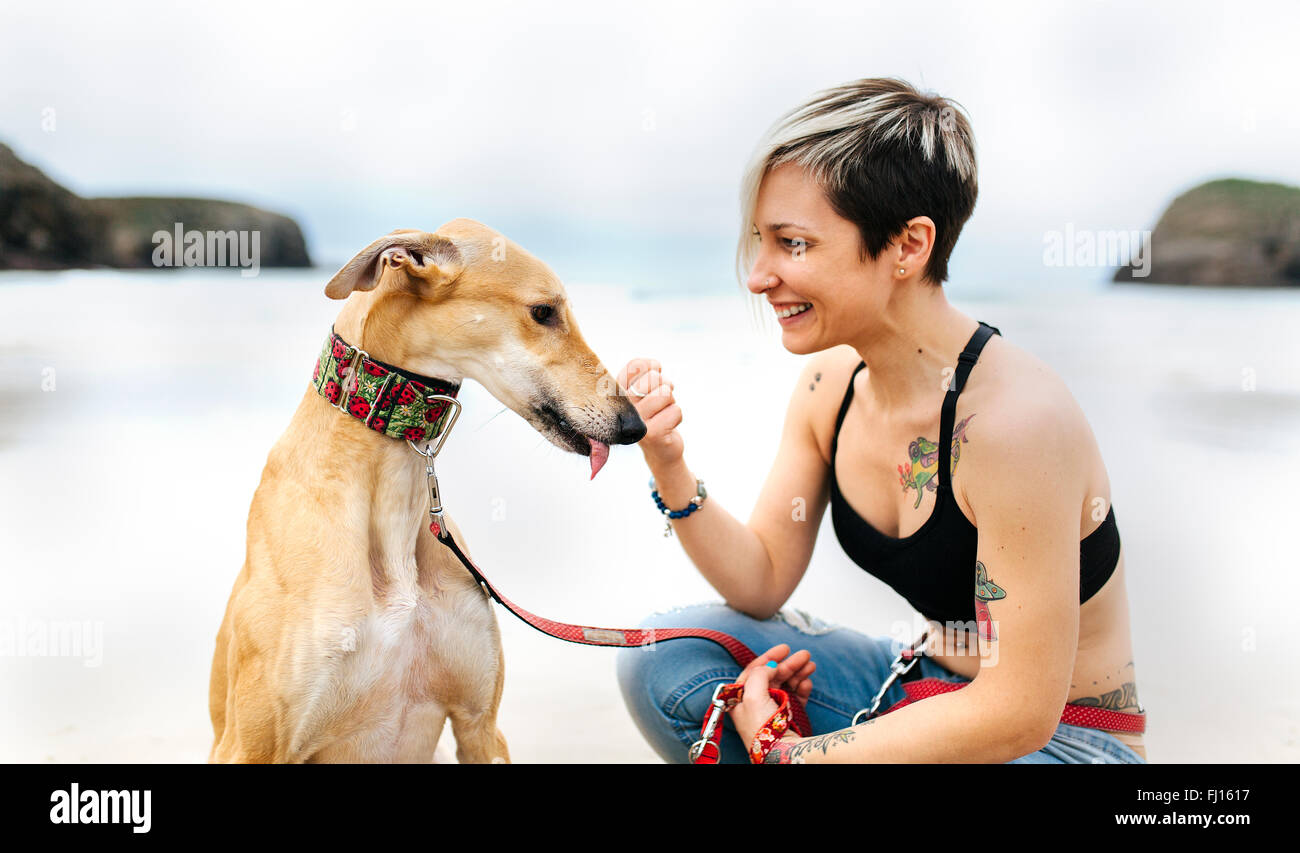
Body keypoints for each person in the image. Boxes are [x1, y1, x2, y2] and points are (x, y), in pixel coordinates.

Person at [614, 78, 1146, 764]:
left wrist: (796, 753)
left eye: (793, 243)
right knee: (669, 659)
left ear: (908, 246)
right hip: (924, 685)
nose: (758, 274)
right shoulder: (828, 390)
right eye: (759, 241)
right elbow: (762, 578)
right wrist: (668, 462)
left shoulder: (1017, 424)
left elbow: (1018, 714)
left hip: (1065, 740)